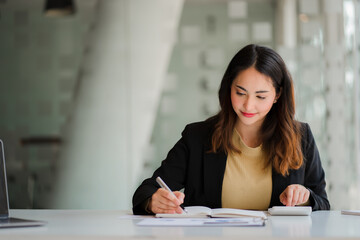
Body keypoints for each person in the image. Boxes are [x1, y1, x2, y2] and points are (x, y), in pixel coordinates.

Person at [132, 44, 330, 215]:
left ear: (277, 95)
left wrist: (305, 198)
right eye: (240, 93)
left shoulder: (300, 137)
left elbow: (323, 203)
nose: (248, 106)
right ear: (229, 88)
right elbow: (146, 191)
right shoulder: (198, 137)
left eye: (260, 96)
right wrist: (153, 202)